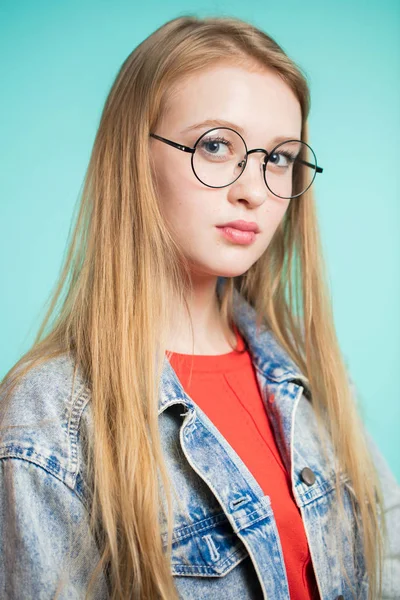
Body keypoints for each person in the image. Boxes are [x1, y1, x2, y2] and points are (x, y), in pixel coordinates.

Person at [0, 14, 399, 600]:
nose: (255, 189)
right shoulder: (45, 425)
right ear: (135, 157)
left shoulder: (312, 383)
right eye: (217, 146)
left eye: (280, 158)